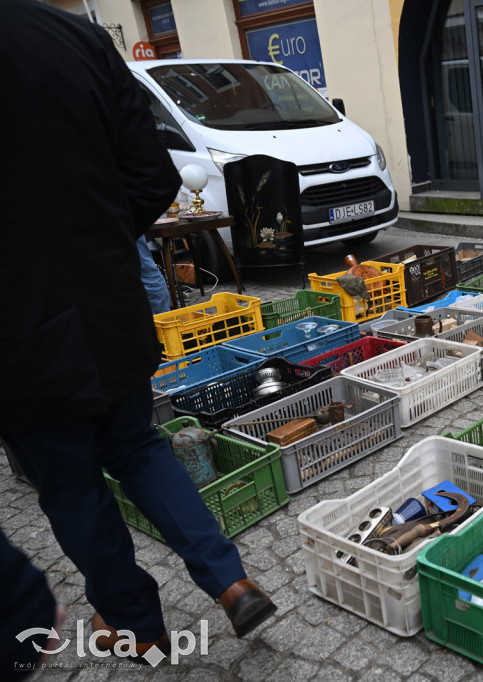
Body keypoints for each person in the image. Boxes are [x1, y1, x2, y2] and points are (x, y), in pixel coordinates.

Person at [0, 0, 275, 672]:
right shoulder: (72, 34)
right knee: (137, 444)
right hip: (106, 303)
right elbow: (153, 173)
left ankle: (134, 623)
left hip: (17, 331)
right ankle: (229, 579)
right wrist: (92, 242)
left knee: (70, 484)